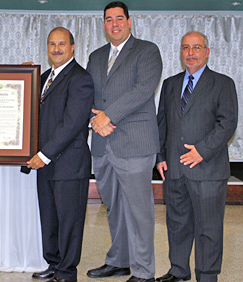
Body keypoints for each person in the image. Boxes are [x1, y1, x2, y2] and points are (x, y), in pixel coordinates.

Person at [85, 2, 163, 282]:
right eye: (109, 19)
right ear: (103, 24)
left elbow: (143, 90)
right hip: (103, 146)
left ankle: (144, 272)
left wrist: (108, 116)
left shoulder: (147, 51)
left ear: (130, 22)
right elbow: (88, 95)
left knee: (139, 211)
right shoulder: (95, 57)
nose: (114, 24)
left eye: (119, 18)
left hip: (134, 143)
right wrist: (94, 121)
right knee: (114, 207)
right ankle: (119, 260)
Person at [155, 31, 238, 282]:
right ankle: (178, 270)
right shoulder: (170, 84)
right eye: (186, 48)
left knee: (208, 228)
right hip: (174, 169)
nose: (190, 53)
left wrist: (201, 151)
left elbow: (227, 123)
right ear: (180, 52)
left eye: (196, 48)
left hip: (208, 169)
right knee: (177, 224)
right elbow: (162, 124)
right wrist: (160, 157)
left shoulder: (223, 83)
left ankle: (207, 275)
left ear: (207, 52)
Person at [27, 27, 94, 282]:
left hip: (68, 163)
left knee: (69, 222)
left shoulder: (81, 79)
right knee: (50, 218)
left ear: (73, 47)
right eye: (52, 44)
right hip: (45, 164)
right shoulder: (43, 77)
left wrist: (43, 155)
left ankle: (66, 272)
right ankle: (53, 263)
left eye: (62, 44)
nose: (56, 49)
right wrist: (22, 76)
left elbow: (72, 123)